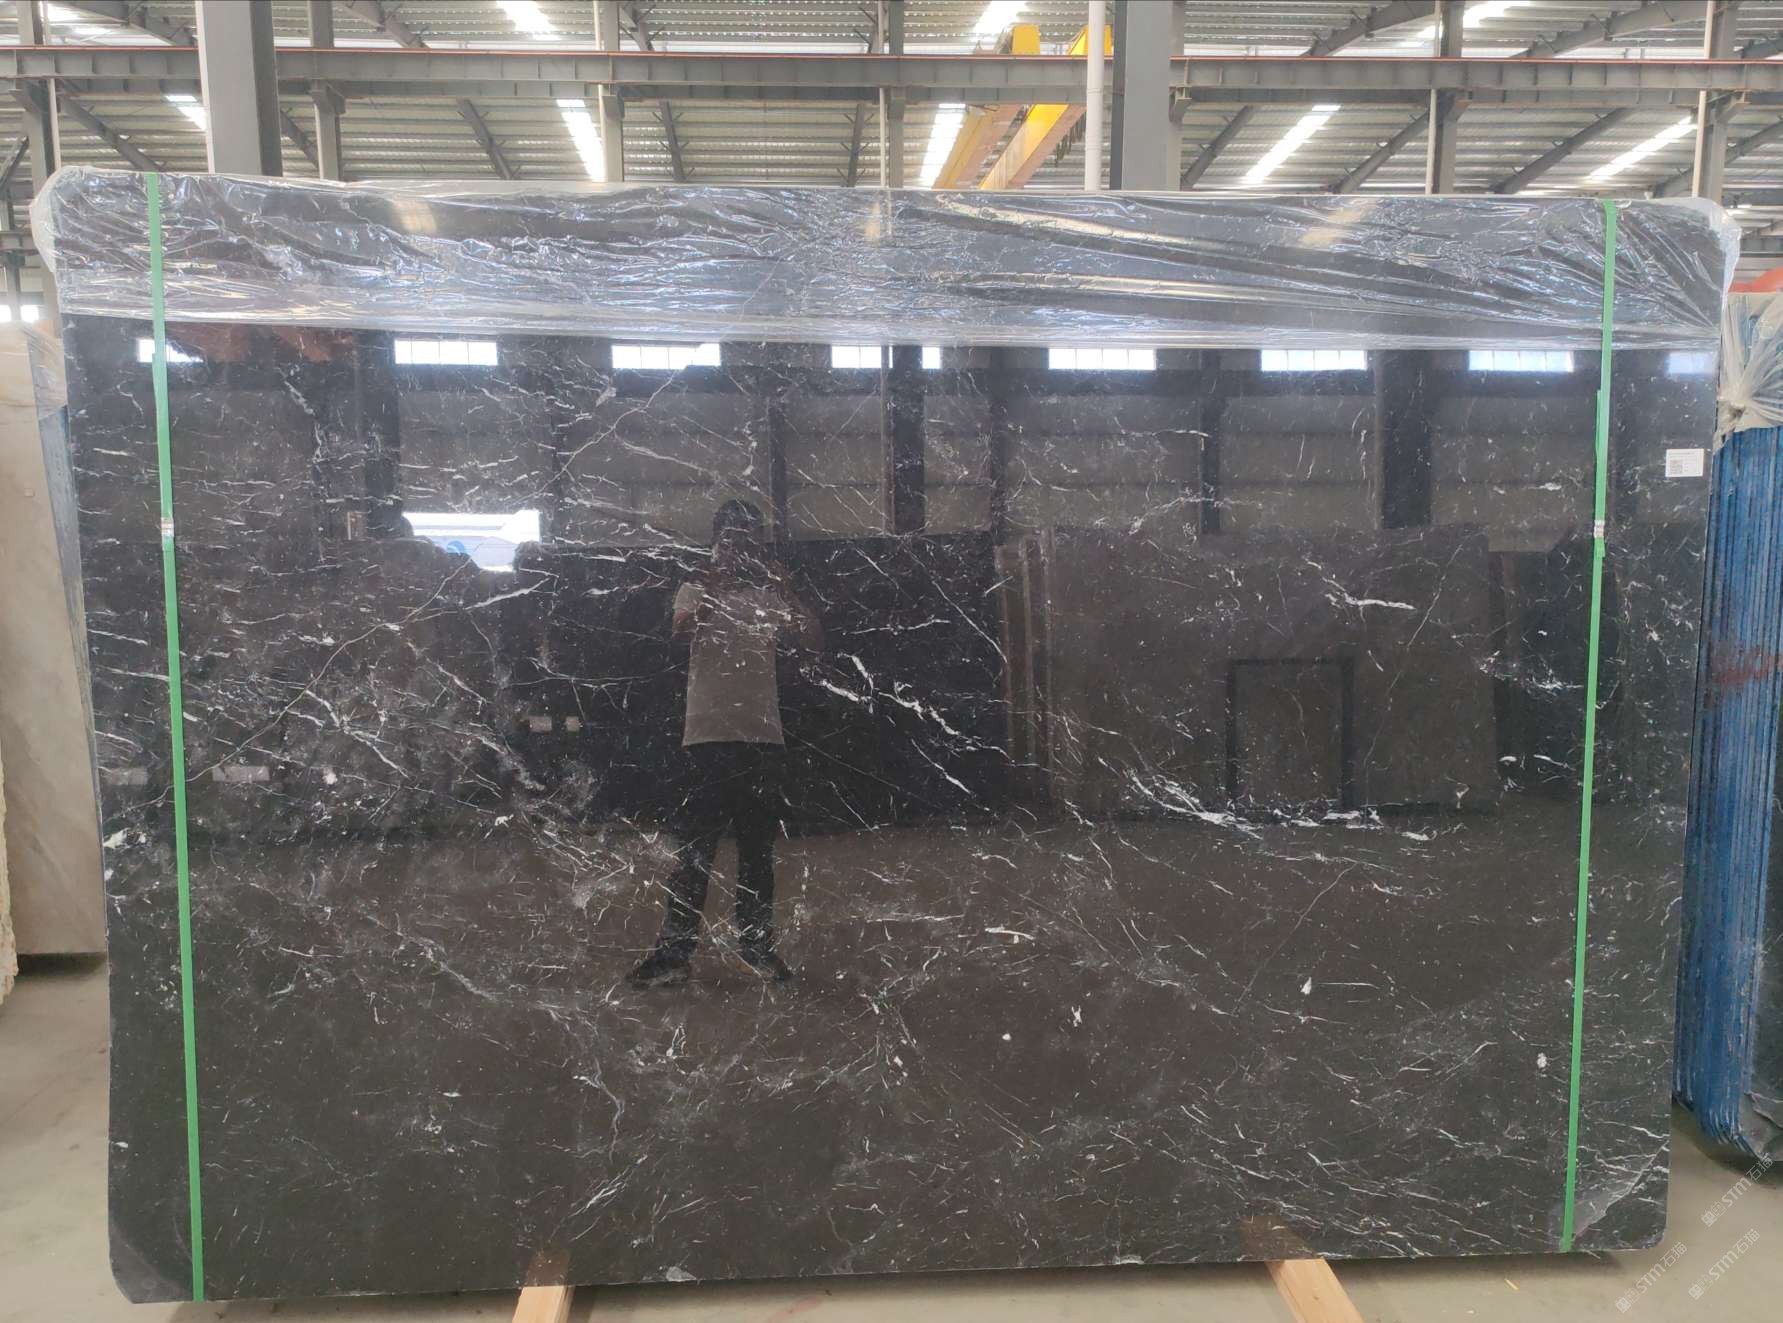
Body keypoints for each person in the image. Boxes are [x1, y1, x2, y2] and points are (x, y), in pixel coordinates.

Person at [628, 499, 822, 987]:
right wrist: (715, 587)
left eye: (749, 538)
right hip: (706, 737)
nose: (740, 548)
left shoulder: (768, 596)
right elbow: (680, 634)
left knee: (757, 853)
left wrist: (786, 591)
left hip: (761, 736)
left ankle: (757, 950)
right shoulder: (695, 587)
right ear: (717, 543)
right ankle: (674, 956)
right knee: (695, 852)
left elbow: (812, 640)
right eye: (732, 539)